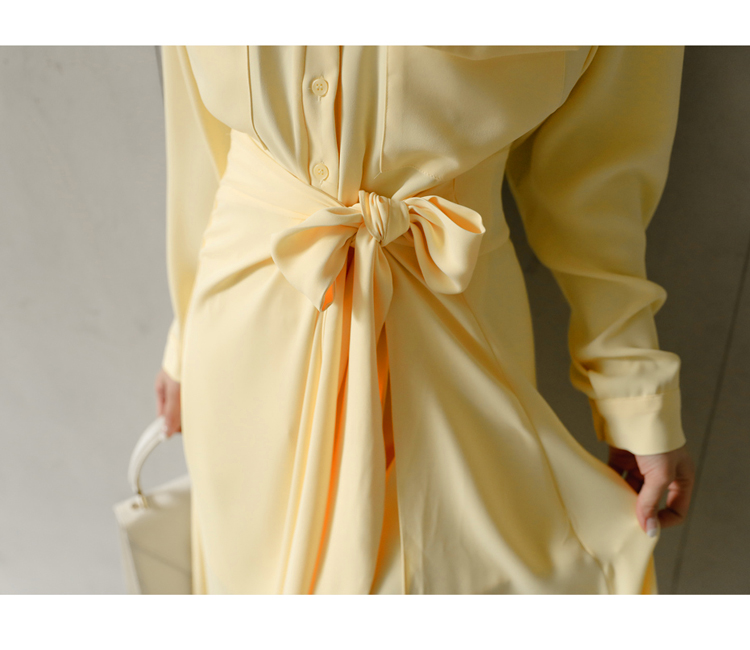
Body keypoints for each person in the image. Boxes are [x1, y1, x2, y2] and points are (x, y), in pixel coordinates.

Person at [153, 45, 695, 594]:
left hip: (454, 350)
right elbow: (200, 141)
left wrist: (634, 390)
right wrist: (185, 337)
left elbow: (596, 180)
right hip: (243, 350)